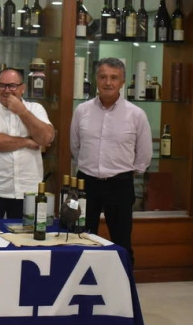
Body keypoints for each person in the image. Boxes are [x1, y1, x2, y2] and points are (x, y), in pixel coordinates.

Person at [70, 57, 152, 266]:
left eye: (114, 78)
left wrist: (124, 171)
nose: (108, 82)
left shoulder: (136, 114)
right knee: (81, 237)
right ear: (96, 79)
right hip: (86, 183)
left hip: (119, 183)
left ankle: (124, 281)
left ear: (122, 82)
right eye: (103, 77)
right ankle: (82, 278)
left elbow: (144, 154)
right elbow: (75, 146)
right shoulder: (82, 111)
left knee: (122, 240)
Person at [0, 68, 55, 219]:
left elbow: (46, 138)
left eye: (12, 86)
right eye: (2, 86)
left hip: (28, 189)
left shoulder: (35, 109)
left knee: (27, 233)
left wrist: (22, 112)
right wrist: (27, 141)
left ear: (22, 88)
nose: (6, 90)